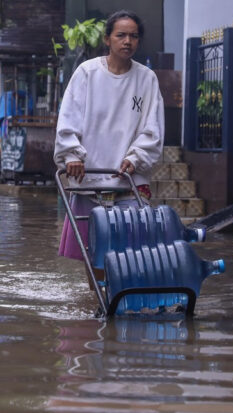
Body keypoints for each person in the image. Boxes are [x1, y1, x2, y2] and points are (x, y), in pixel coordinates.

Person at [54, 10, 164, 263]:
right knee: (94, 253)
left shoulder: (147, 79)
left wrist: (136, 157)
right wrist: (71, 154)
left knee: (133, 251)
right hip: (89, 177)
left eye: (134, 36)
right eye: (121, 35)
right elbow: (68, 117)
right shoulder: (86, 73)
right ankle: (98, 299)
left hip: (129, 178)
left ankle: (117, 297)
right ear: (107, 39)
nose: (128, 41)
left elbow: (152, 128)